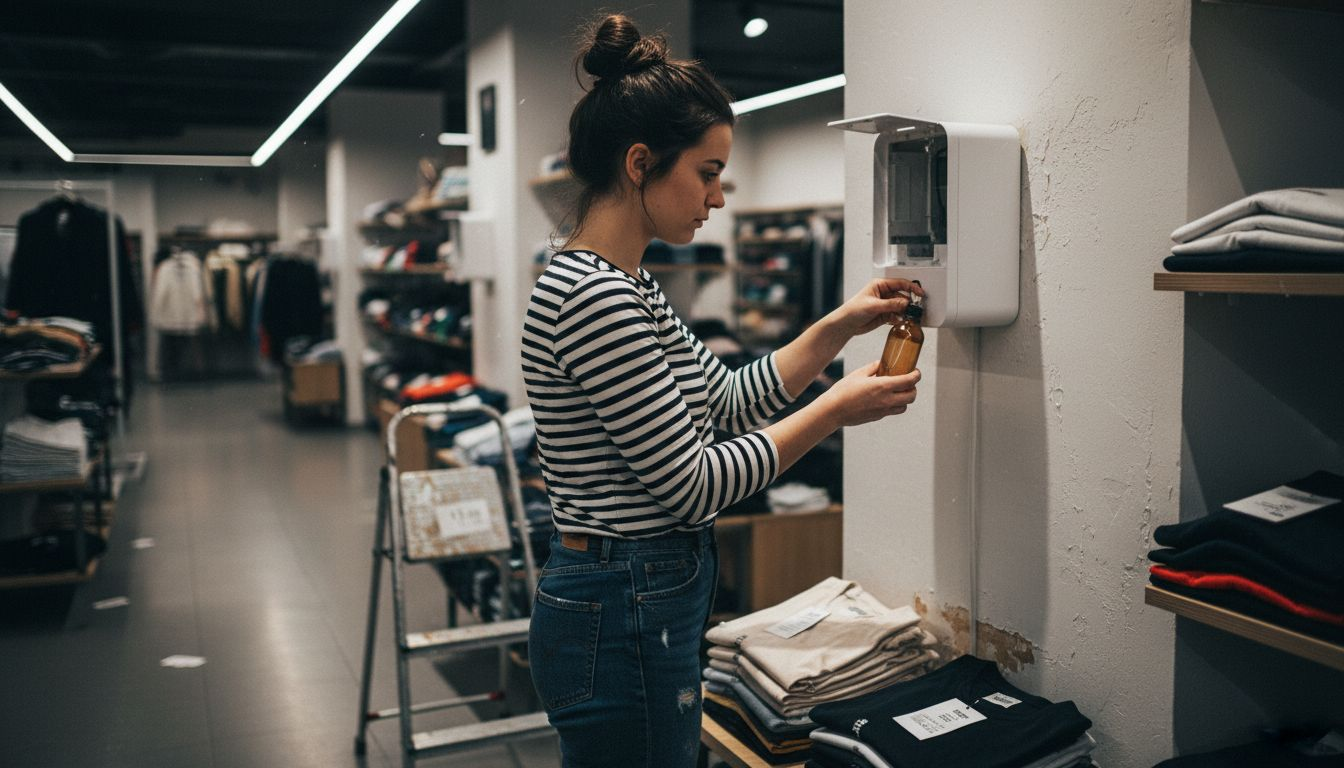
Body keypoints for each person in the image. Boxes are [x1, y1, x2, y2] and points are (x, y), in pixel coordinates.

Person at [521, 13, 922, 768]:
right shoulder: (595, 296)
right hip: (622, 607)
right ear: (641, 162)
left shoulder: (627, 283)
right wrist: (834, 409)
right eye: (706, 172)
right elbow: (691, 488)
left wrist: (837, 328)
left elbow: (727, 399)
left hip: (634, 598)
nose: (719, 196)